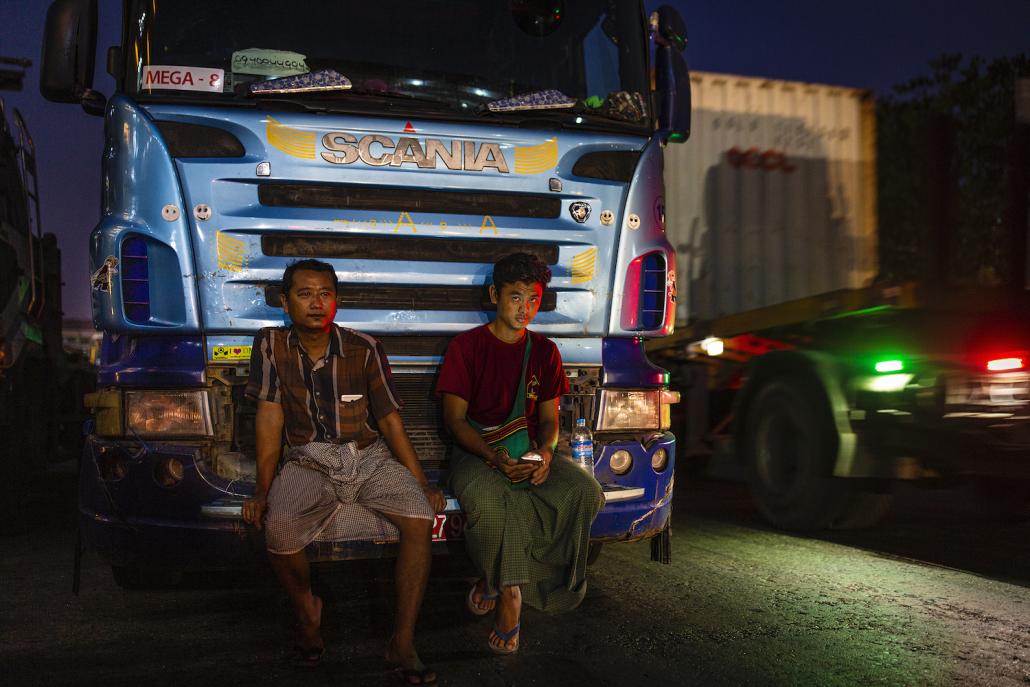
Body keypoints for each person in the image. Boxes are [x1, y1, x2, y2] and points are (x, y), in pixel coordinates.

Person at [242, 258, 444, 684]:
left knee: (419, 518)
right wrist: (262, 490)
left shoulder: (363, 348)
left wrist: (422, 483)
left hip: (367, 456)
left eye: (326, 294)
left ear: (336, 300)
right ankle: (307, 610)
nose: (317, 303)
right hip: (307, 459)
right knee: (278, 529)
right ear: (285, 301)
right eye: (305, 293)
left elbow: (389, 420)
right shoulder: (270, 345)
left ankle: (402, 642)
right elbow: (269, 418)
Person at [437, 252, 604, 655]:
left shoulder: (544, 352)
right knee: (497, 502)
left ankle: (493, 580)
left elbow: (548, 422)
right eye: (515, 297)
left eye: (532, 299)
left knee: (584, 493)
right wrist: (493, 458)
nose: (524, 308)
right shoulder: (467, 348)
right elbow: (455, 423)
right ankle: (510, 596)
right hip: (476, 456)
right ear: (495, 294)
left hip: (525, 452)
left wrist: (544, 455)